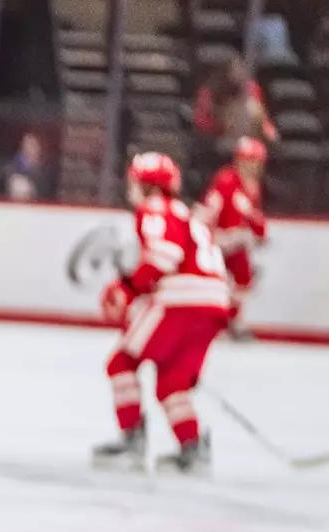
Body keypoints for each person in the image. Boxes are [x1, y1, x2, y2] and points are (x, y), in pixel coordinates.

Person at [92, 152, 230, 475]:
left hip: (181, 301)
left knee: (121, 363)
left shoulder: (154, 208)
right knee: (172, 383)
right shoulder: (189, 214)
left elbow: (164, 256)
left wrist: (127, 287)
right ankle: (192, 448)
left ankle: (131, 442)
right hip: (213, 306)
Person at [196, 136, 266, 335]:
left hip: (235, 241)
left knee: (243, 278)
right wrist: (207, 234)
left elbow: (254, 217)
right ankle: (211, 318)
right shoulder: (226, 180)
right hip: (219, 239)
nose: (254, 166)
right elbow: (212, 207)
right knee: (214, 280)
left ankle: (232, 317)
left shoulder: (252, 186)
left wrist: (257, 227)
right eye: (250, 161)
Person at [193, 58, 277, 146]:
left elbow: (260, 115)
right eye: (234, 70)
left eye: (240, 69)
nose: (237, 73)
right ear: (226, 72)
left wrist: (268, 129)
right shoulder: (209, 90)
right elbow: (201, 120)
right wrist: (220, 125)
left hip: (251, 136)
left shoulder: (250, 87)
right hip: (219, 137)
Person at [3, 131, 46, 201]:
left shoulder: (45, 171)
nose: (31, 148)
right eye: (28, 144)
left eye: (34, 145)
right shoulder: (12, 169)